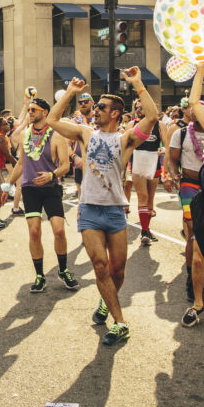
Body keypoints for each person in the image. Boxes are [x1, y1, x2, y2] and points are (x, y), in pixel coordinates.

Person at [47, 69, 158, 345]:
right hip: (90, 212)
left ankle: (105, 303)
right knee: (100, 266)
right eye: (95, 107)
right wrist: (71, 92)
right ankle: (120, 323)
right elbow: (52, 119)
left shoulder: (125, 139)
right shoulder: (85, 133)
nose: (95, 111)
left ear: (115, 114)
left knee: (118, 271)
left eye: (102, 108)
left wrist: (137, 84)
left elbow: (152, 117)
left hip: (115, 212)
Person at [7, 97, 77, 293]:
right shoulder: (25, 136)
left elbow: (65, 165)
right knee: (35, 232)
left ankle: (63, 270)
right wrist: (7, 186)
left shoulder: (57, 136)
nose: (30, 112)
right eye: (29, 109)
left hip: (51, 187)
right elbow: (20, 164)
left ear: (45, 112)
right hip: (30, 189)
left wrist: (51, 175)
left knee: (59, 231)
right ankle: (39, 275)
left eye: (34, 109)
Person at [163, 88, 204, 325]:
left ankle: (202, 270)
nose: (194, 113)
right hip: (189, 186)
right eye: (192, 109)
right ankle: (192, 277)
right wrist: (172, 175)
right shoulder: (180, 134)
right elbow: (172, 161)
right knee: (192, 231)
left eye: (200, 109)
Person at [130, 99, 168, 245]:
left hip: (154, 164)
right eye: (138, 108)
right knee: (142, 196)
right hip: (138, 164)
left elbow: (166, 144)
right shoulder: (132, 125)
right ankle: (144, 231)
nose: (140, 110)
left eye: (142, 108)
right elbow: (126, 145)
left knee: (150, 198)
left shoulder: (160, 125)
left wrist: (162, 150)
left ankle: (147, 228)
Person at [71, 93, 96, 201]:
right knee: (82, 197)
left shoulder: (100, 117)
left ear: (92, 102)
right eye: (80, 103)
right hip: (81, 163)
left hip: (99, 162)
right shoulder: (75, 122)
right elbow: (66, 145)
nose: (83, 104)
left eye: (86, 102)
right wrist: (75, 157)